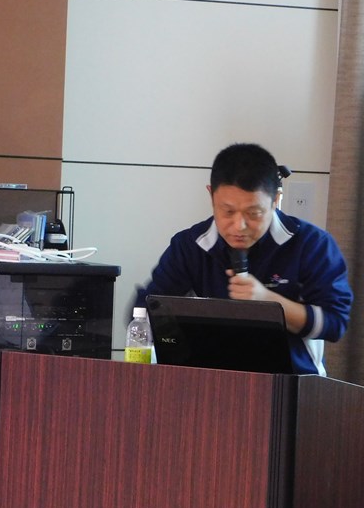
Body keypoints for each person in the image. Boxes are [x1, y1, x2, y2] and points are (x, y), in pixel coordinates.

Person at [135, 142, 352, 375]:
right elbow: (144, 312)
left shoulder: (312, 244)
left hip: (291, 383)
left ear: (275, 200)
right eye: (228, 211)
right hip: (207, 381)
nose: (239, 226)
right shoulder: (189, 246)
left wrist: (269, 302)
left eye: (253, 213)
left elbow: (335, 323)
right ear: (211, 195)